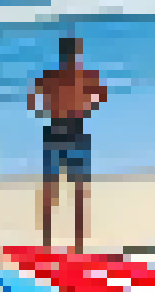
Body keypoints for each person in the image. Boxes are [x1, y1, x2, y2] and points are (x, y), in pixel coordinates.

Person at [29, 36, 107, 252]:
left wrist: (43, 110)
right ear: (77, 53)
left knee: (50, 189)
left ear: (61, 54)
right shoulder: (86, 76)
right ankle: (78, 245)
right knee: (79, 191)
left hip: (54, 130)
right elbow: (102, 96)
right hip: (76, 130)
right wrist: (87, 107)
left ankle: (47, 243)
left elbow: (32, 96)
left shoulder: (50, 75)